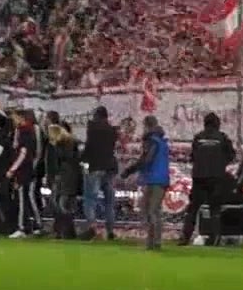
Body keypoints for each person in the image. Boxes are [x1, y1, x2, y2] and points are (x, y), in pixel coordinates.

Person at [180, 112, 236, 245]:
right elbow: (231, 155)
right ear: (218, 124)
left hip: (199, 177)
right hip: (216, 177)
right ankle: (214, 238)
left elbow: (193, 156)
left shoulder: (198, 137)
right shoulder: (222, 138)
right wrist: (220, 164)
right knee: (215, 209)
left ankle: (185, 237)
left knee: (193, 209)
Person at [121, 115, 170, 251]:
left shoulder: (152, 141)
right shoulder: (162, 141)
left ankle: (153, 242)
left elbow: (146, 160)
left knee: (149, 210)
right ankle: (154, 241)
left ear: (147, 126)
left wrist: (129, 170)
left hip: (153, 179)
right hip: (161, 179)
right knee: (153, 210)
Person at [81, 105, 119, 241]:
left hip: (95, 166)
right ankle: (110, 231)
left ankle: (92, 227)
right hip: (110, 167)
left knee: (90, 199)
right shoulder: (112, 130)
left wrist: (82, 161)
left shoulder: (92, 129)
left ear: (96, 116)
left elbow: (89, 148)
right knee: (109, 202)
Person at [7, 110, 43, 239]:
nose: (13, 121)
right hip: (28, 168)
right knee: (28, 197)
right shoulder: (24, 130)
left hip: (25, 169)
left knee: (23, 198)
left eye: (15, 118)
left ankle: (22, 227)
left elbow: (24, 153)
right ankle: (35, 225)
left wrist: (12, 169)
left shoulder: (26, 131)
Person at [47, 123, 83, 239]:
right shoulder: (71, 144)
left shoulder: (62, 146)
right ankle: (64, 231)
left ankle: (65, 231)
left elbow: (59, 162)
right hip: (68, 178)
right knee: (62, 204)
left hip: (65, 178)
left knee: (61, 204)